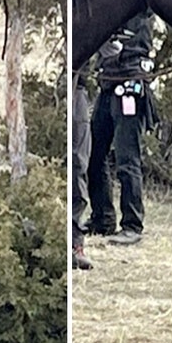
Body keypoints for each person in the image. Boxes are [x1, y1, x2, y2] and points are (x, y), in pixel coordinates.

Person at [86, 11, 157, 246]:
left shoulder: (140, 0)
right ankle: (103, 217)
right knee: (94, 154)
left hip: (131, 81)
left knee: (128, 158)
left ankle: (132, 224)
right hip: (109, 80)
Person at [71, 72, 93, 269]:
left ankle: (76, 245)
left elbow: (110, 47)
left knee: (78, 166)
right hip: (64, 85)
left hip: (77, 89)